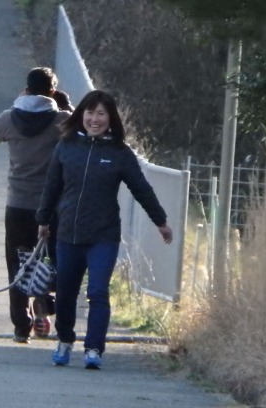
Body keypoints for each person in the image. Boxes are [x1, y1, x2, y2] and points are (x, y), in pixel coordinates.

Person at [36, 89, 173, 369]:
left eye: (101, 113)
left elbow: (141, 189)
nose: (94, 119)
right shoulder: (66, 146)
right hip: (68, 233)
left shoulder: (120, 153)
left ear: (111, 118)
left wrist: (161, 221)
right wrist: (43, 220)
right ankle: (65, 340)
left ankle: (94, 349)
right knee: (65, 292)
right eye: (90, 112)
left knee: (98, 291)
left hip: (103, 236)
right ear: (81, 115)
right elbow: (51, 186)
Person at [0, 67, 73, 343]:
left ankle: (21, 327)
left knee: (17, 263)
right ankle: (44, 304)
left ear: (26, 89)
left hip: (18, 204)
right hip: (51, 206)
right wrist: (66, 106)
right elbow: (81, 133)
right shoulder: (61, 120)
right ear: (52, 91)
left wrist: (17, 105)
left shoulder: (10, 118)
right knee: (50, 259)